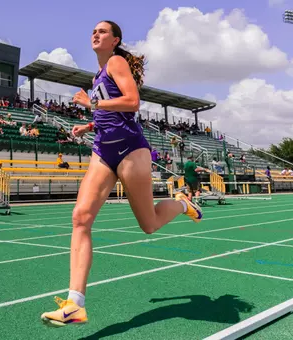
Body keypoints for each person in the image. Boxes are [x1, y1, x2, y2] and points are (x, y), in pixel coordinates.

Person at [40, 20, 203, 328]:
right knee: (81, 217)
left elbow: (132, 102)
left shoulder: (116, 62)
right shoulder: (96, 76)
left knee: (149, 224)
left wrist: (91, 103)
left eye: (102, 31)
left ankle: (182, 203)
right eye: (93, 31)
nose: (95, 34)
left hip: (130, 150)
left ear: (115, 41)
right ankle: (75, 304)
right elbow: (107, 113)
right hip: (103, 150)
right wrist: (89, 124)